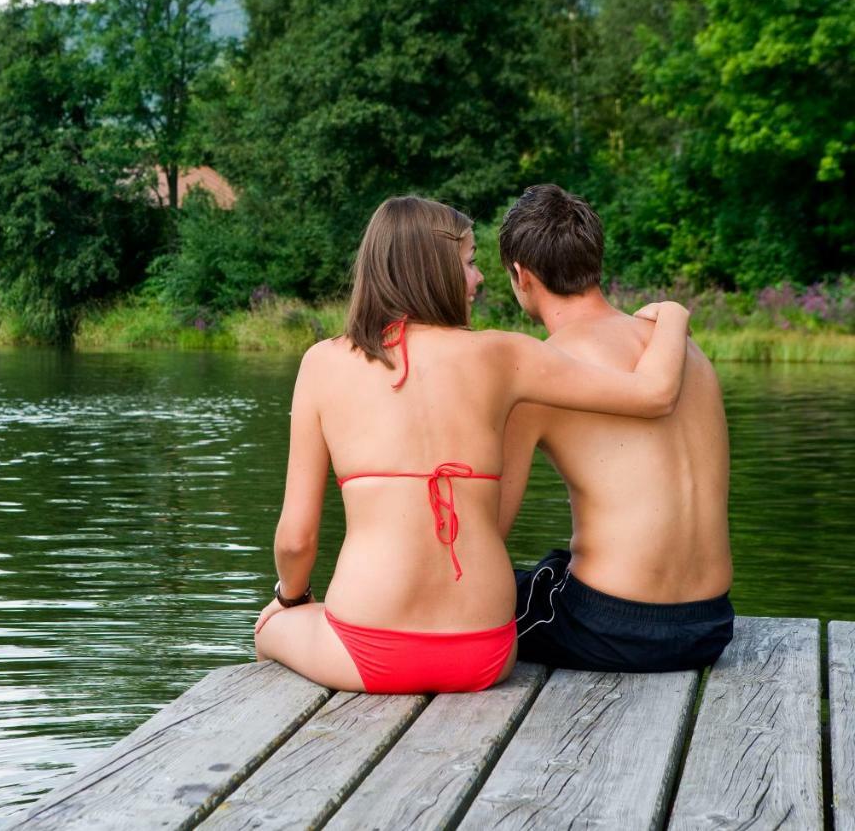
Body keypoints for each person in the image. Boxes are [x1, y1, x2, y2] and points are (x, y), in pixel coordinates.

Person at [252, 195, 693, 694]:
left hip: (368, 650)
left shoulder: (322, 363)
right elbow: (655, 394)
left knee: (270, 629)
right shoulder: (505, 354)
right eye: (469, 262)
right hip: (486, 653)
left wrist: (291, 600)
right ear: (431, 268)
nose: (479, 277)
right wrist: (674, 316)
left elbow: (295, 540)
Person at [498, 184, 734, 672]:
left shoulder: (544, 369)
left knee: (495, 594)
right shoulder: (686, 353)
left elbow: (490, 529)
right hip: (711, 625)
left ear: (521, 275)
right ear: (594, 259)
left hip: (613, 628)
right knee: (552, 570)